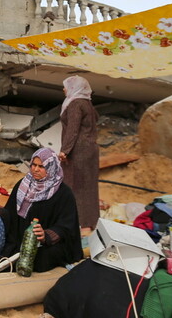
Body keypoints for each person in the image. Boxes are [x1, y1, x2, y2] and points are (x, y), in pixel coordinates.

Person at [0, 148, 83, 272]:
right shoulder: (23, 185)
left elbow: (67, 226)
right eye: (34, 165)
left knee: (39, 260)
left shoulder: (63, 193)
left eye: (41, 166)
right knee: (3, 254)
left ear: (51, 168)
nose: (35, 169)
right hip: (20, 241)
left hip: (47, 245)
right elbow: (10, 213)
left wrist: (45, 235)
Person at [58, 75, 100, 229]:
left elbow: (73, 129)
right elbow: (96, 118)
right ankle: (90, 222)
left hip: (78, 151)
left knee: (74, 186)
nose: (64, 89)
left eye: (66, 86)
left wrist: (65, 150)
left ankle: (78, 222)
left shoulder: (75, 104)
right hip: (90, 149)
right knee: (89, 187)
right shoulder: (87, 103)